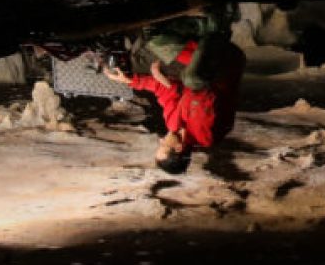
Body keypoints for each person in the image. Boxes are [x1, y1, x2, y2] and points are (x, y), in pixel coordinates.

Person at [105, 13, 245, 173]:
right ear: (178, 148)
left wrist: (131, 81)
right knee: (185, 72)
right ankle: (218, 23)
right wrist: (168, 83)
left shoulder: (173, 125)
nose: (161, 140)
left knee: (143, 53)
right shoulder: (205, 133)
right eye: (164, 145)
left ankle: (193, 24)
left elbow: (165, 93)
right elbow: (202, 91)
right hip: (220, 66)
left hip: (199, 73)